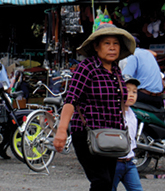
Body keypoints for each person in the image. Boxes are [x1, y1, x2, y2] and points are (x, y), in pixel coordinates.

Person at [54, 23, 136, 191]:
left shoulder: (116, 71)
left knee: (107, 183)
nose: (112, 48)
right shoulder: (87, 68)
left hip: (112, 136)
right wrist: (62, 130)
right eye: (107, 43)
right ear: (96, 47)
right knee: (101, 181)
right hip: (87, 134)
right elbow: (71, 100)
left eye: (116, 43)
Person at [113, 76, 143, 191]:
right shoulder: (114, 113)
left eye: (134, 92)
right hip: (114, 163)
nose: (131, 94)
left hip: (129, 162)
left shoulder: (132, 114)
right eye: (127, 90)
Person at [122, 39, 164, 112]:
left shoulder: (132, 55)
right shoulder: (147, 53)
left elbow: (125, 78)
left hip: (144, 97)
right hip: (158, 98)